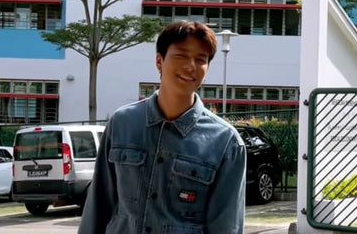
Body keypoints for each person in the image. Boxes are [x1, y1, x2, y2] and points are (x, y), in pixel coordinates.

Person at [79, 21, 246, 234]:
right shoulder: (122, 123)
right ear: (159, 61)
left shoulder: (225, 142)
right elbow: (98, 206)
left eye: (200, 59)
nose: (190, 66)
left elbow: (226, 226)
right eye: (181, 55)